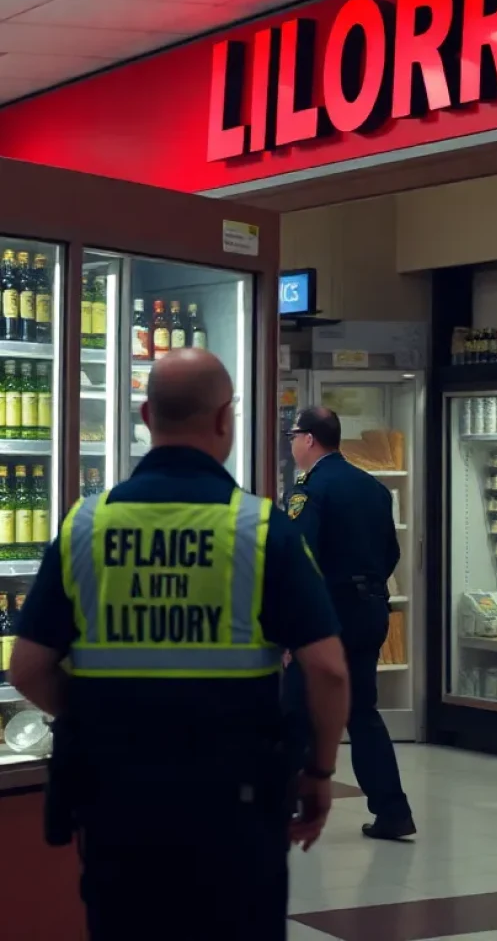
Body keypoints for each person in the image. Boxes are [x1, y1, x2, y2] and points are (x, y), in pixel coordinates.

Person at [8, 350, 350, 941]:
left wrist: (97, 716)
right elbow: (328, 671)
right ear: (225, 420)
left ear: (145, 415)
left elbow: (28, 667)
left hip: (118, 800)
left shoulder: (85, 527)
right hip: (234, 805)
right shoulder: (262, 529)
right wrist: (318, 772)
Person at [286, 405, 415, 840]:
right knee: (362, 712)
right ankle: (393, 810)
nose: (291, 445)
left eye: (293, 437)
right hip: (370, 609)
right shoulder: (372, 487)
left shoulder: (309, 489)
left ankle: (289, 807)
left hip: (328, 613)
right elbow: (390, 553)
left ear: (309, 440)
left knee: (295, 708)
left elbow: (300, 560)